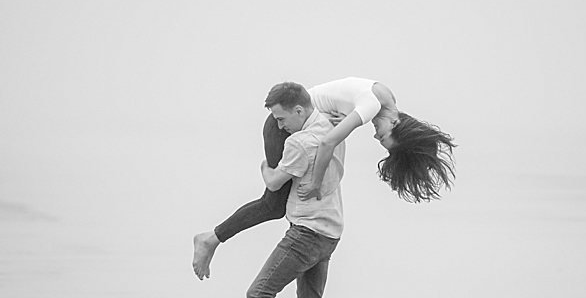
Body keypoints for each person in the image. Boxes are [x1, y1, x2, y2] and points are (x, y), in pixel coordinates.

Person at [192, 77, 455, 279]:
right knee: (273, 205)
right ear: (398, 124)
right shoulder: (372, 104)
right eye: (384, 137)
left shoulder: (383, 101)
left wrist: (336, 120)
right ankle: (210, 239)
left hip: (300, 122)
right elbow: (328, 142)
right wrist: (315, 183)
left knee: (279, 204)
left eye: (380, 140)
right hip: (283, 124)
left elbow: (337, 111)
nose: (377, 137)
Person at [246, 82, 346, 298]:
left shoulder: (299, 142)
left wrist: (264, 166)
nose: (279, 126)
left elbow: (275, 182)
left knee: (259, 293)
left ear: (299, 110)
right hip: (331, 229)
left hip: (307, 231)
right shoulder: (333, 126)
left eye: (281, 118)